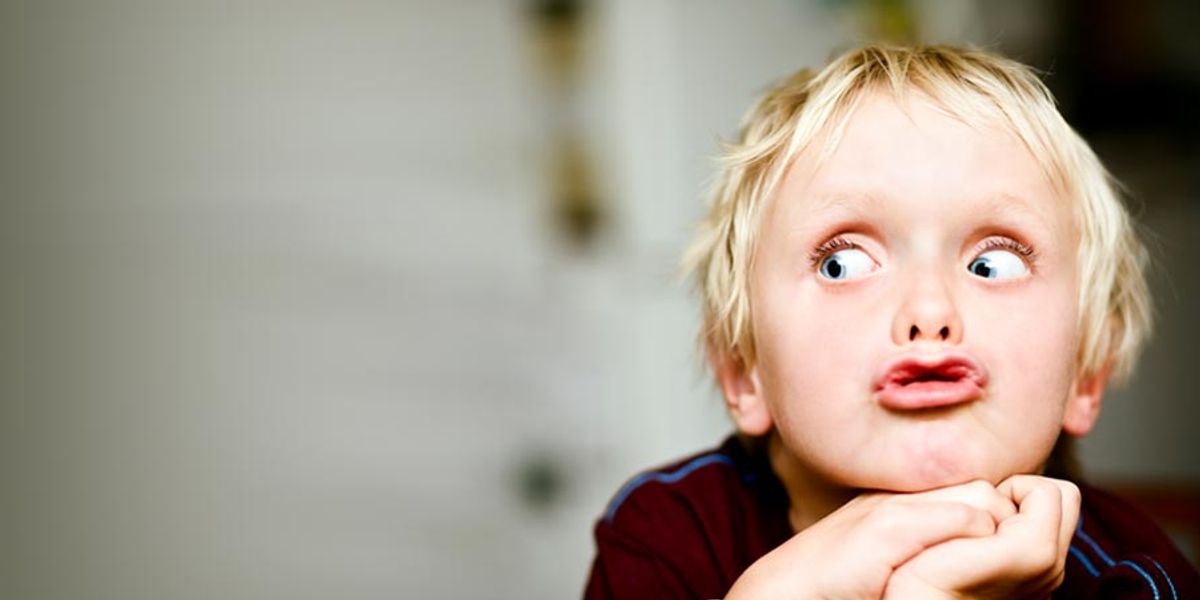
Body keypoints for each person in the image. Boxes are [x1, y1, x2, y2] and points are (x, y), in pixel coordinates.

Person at [584, 44, 1199, 599]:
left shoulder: (1134, 581)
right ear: (744, 373)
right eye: (842, 263)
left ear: (1085, 374)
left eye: (991, 264)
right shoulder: (664, 537)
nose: (929, 313)